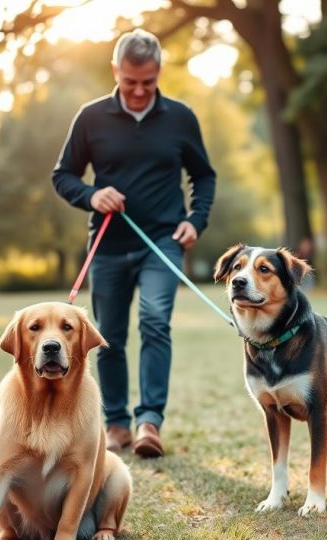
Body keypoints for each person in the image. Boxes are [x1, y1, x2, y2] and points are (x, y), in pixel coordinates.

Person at [53, 29, 217, 457]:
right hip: (107, 246)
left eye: (148, 81)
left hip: (163, 241)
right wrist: (91, 195)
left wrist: (195, 220)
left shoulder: (180, 118)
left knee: (155, 319)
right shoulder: (91, 118)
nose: (140, 91)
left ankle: (149, 423)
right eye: (130, 82)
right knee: (108, 336)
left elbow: (203, 175)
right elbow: (63, 175)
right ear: (115, 71)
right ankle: (117, 425)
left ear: (159, 71)